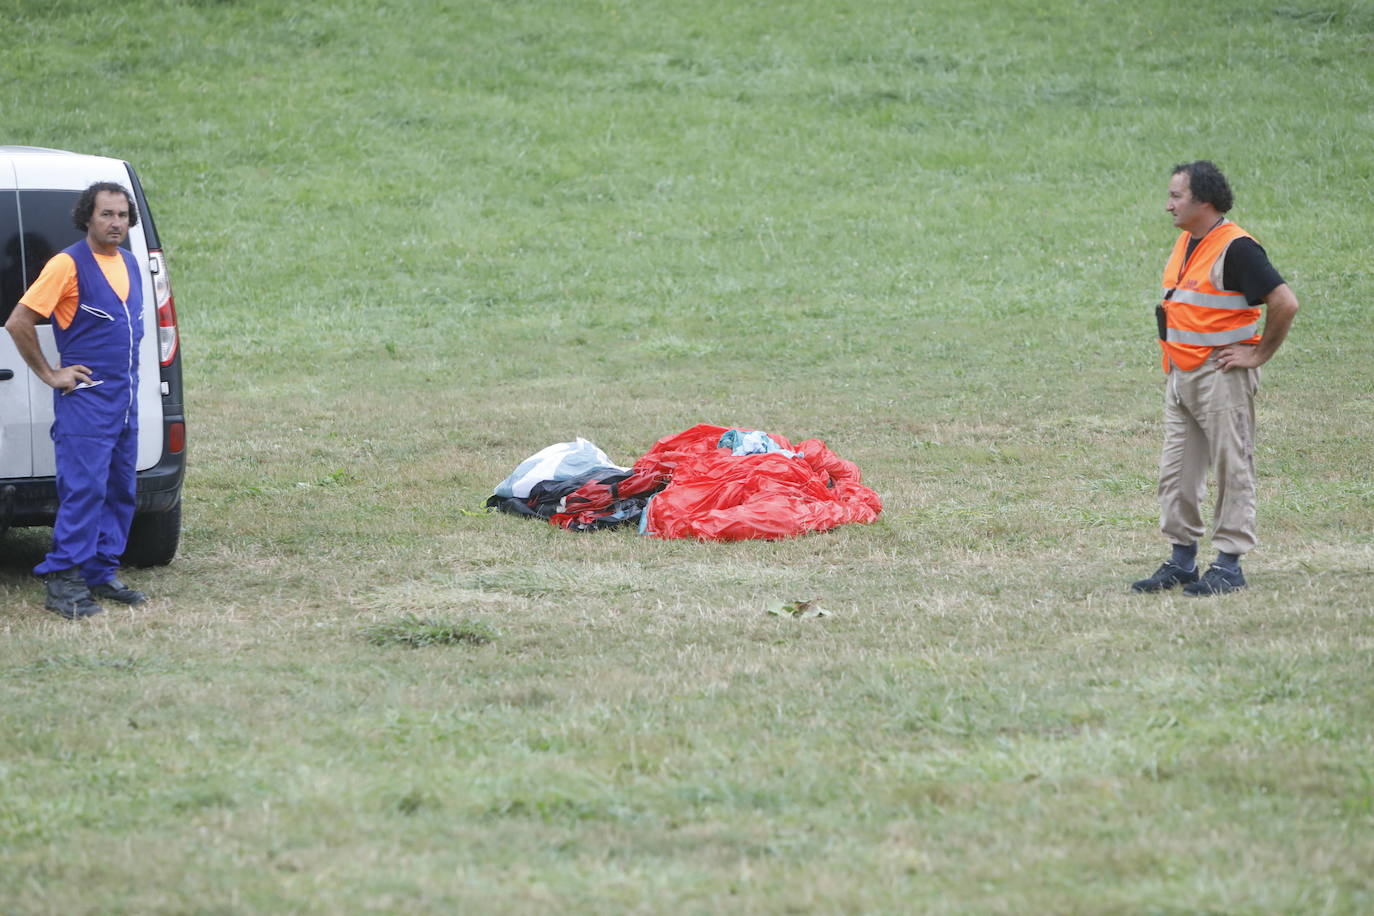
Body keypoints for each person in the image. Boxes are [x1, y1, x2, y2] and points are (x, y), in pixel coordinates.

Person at [1132, 161, 1299, 596]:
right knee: (1177, 474)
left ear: (1203, 201)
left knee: (1232, 467)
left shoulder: (1237, 248)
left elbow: (1285, 303)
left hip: (1222, 374)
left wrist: (1258, 353)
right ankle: (1182, 561)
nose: (1167, 205)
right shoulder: (1188, 240)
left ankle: (1229, 565)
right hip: (1182, 374)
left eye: (1175, 196)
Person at [4, 182, 150, 618]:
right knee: (84, 491)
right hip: (86, 401)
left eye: (122, 215)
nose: (115, 223)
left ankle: (100, 572)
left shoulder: (129, 262)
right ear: (87, 216)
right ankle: (64, 581)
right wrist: (50, 373)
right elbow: (18, 322)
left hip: (124, 400)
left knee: (121, 489)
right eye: (106, 214)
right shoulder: (66, 265)